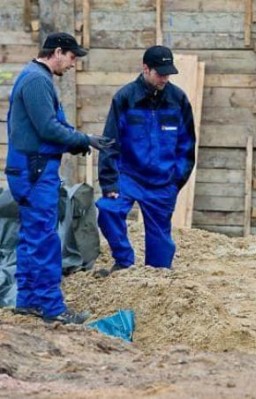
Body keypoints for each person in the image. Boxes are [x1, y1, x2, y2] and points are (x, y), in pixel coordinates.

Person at [5, 32, 114, 324]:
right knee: (44, 239)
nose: (73, 64)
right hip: (34, 170)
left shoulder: (35, 76)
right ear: (57, 51)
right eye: (72, 57)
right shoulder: (38, 80)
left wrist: (77, 143)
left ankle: (27, 301)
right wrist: (84, 138)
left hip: (29, 167)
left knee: (31, 236)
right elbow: (48, 128)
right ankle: (53, 308)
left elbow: (51, 127)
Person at [95, 45, 196, 276]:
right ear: (145, 69)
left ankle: (155, 278)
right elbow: (110, 142)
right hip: (129, 177)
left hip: (163, 182)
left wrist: (175, 181)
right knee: (108, 209)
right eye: (160, 73)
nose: (165, 78)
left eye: (168, 73)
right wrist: (109, 182)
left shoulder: (178, 99)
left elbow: (187, 145)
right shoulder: (125, 98)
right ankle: (124, 262)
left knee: (160, 262)